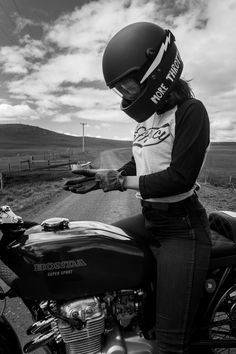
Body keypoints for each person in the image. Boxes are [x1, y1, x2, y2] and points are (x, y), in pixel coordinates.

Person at [64, 22, 212, 354]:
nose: (126, 94)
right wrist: (106, 176)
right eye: (120, 90)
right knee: (99, 249)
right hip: (150, 220)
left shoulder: (191, 112)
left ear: (156, 71)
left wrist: (119, 182)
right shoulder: (147, 121)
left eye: (128, 85)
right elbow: (138, 163)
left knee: (169, 344)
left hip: (181, 228)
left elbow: (179, 178)